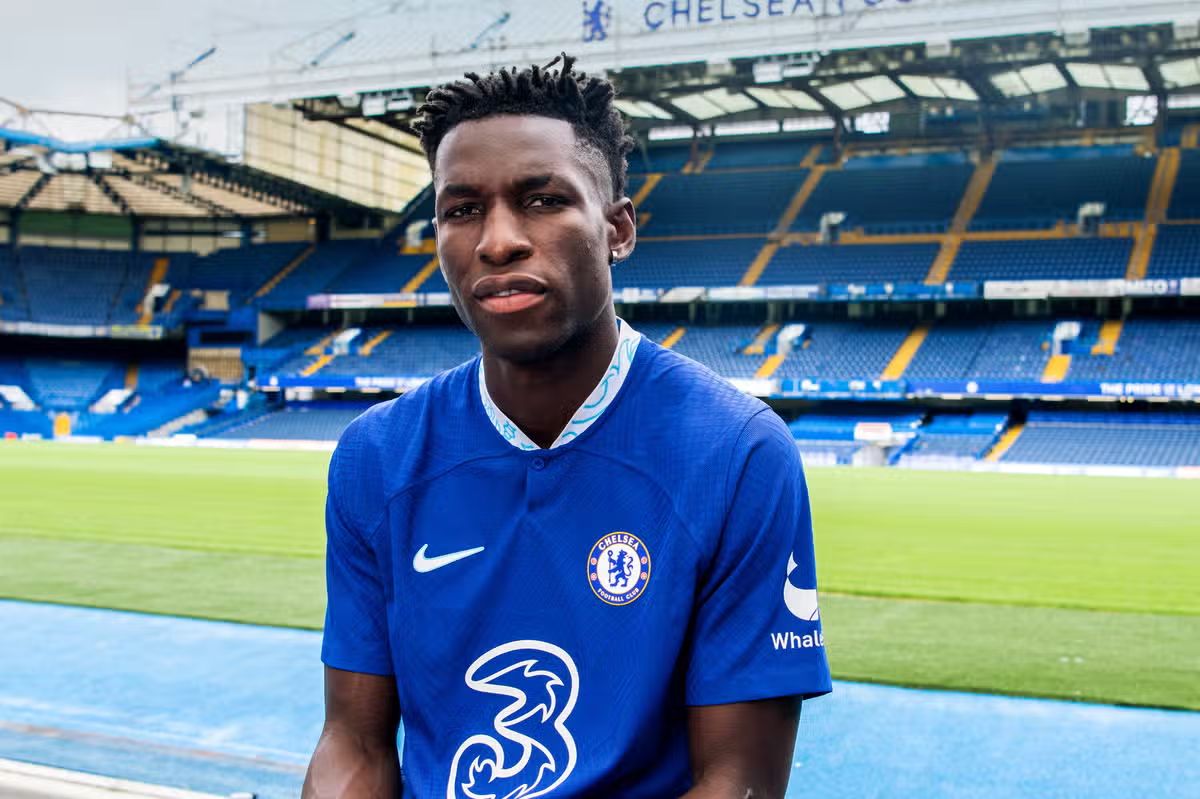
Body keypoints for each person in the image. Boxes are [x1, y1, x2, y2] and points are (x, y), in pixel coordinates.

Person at [302, 53, 830, 799]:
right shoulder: (376, 456)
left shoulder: (736, 451)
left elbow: (737, 779)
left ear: (616, 230)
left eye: (542, 199)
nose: (498, 240)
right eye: (461, 210)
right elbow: (352, 743)